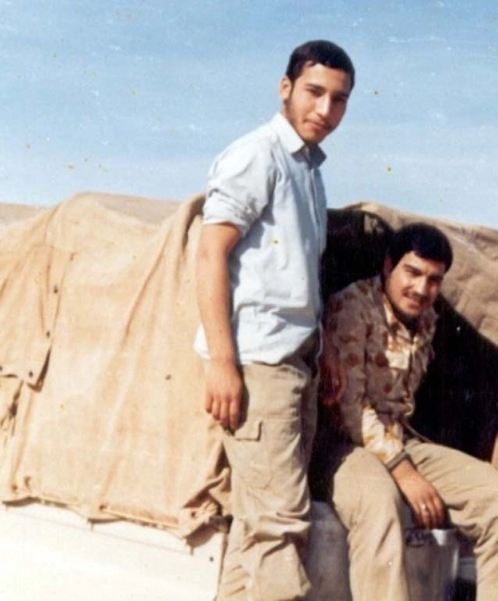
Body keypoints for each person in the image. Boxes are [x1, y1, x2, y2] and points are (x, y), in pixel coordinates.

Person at [194, 40, 354, 601]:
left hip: (294, 362)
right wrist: (223, 362)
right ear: (285, 88)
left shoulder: (307, 170)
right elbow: (210, 253)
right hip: (257, 363)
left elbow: (294, 275)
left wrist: (322, 348)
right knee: (280, 529)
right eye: (314, 92)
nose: (325, 110)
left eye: (339, 100)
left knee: (257, 530)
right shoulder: (256, 155)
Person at [313, 223, 498, 601]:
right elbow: (348, 410)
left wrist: (404, 463)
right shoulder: (353, 306)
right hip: (341, 445)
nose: (421, 289)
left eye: (434, 280)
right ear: (389, 266)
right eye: (412, 273)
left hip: (398, 439)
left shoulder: (427, 319)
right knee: (379, 503)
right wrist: (403, 471)